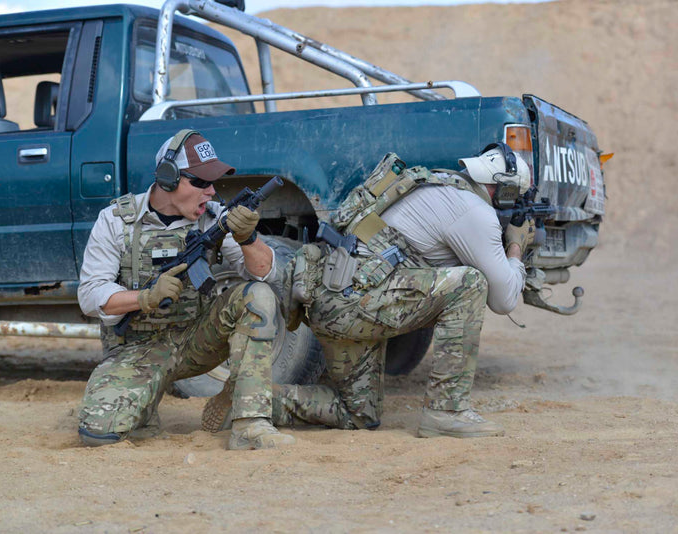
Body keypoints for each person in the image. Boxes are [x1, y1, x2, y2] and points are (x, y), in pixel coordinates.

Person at [203, 141, 537, 439]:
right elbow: (504, 299)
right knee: (469, 284)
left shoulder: (432, 184)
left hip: (334, 298)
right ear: (504, 190)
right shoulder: (475, 211)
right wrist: (516, 247)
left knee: (357, 414)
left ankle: (252, 399)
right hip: (360, 302)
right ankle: (447, 412)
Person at [76, 129, 294, 450]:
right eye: (201, 182)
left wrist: (248, 238)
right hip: (138, 350)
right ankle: (143, 405)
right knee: (99, 433)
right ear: (168, 179)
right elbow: (89, 296)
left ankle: (250, 422)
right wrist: (145, 298)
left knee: (256, 296)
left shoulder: (214, 218)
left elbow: (266, 273)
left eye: (213, 182)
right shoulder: (116, 221)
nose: (210, 191)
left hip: (197, 341)